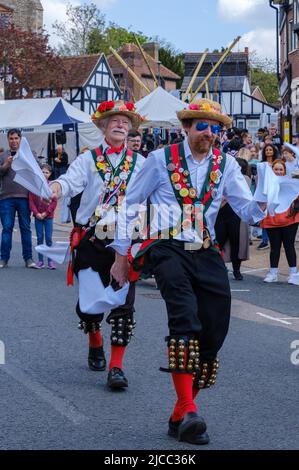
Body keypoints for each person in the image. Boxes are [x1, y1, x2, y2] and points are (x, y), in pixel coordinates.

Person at [110, 98, 267, 445]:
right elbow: (131, 204)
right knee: (184, 317)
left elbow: (244, 206)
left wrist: (270, 208)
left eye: (214, 129)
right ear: (185, 127)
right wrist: (121, 255)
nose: (209, 134)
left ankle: (179, 414)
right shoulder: (158, 160)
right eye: (202, 127)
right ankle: (190, 408)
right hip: (166, 246)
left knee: (215, 328)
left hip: (204, 248)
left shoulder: (226, 164)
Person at [49, 100, 145, 390]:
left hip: (126, 240)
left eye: (125, 122)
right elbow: (69, 183)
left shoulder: (141, 164)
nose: (120, 125)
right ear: (103, 126)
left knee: (123, 305)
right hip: (92, 239)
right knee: (90, 307)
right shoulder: (88, 160)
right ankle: (94, 339)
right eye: (114, 120)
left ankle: (116, 367)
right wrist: (54, 188)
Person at [0, 129, 36, 269]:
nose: (14, 141)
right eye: (11, 138)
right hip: (5, 197)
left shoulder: (29, 154)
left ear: (20, 139)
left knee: (26, 228)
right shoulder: (3, 155)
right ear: (7, 140)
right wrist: (6, 165)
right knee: (7, 228)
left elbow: (38, 172)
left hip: (25, 197)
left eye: (16, 138)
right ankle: (3, 259)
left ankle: (28, 259)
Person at [261, 160, 299, 284]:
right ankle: (273, 273)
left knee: (289, 246)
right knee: (274, 247)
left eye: (280, 169)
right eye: (275, 169)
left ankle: (293, 274)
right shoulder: (266, 184)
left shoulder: (291, 183)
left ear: (285, 171)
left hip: (290, 218)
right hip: (272, 219)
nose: (278, 172)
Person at [215, 158, 250, 281]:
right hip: (221, 214)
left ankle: (237, 270)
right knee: (218, 241)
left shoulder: (245, 179)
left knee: (236, 243)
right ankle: (219, 268)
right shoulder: (222, 178)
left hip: (236, 216)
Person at [29, 164, 57, 269]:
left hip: (48, 216)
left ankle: (50, 261)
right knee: (40, 238)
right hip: (38, 216)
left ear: (50, 174)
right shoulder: (34, 186)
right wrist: (36, 213)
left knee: (49, 238)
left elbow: (54, 202)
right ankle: (40, 261)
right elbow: (31, 201)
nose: (45, 174)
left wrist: (46, 213)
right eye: (43, 172)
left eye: (47, 172)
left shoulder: (52, 186)